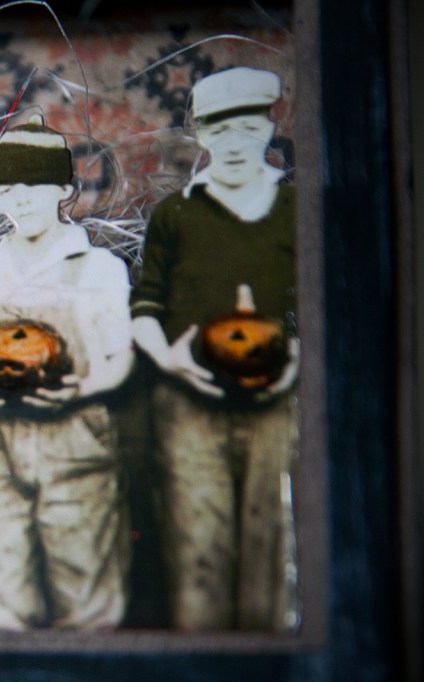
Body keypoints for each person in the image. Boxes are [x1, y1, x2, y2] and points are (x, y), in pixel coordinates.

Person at [130, 67, 300, 630]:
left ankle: (266, 650)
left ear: (269, 127)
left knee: (270, 537)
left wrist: (294, 359)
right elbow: (145, 306)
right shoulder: (176, 214)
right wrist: (168, 358)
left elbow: (318, 303)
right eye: (219, 131)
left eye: (248, 128)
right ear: (201, 134)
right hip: (188, 404)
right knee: (198, 542)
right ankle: (203, 650)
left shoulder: (295, 210)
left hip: (277, 402)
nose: (234, 143)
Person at [0, 115, 134, 629]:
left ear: (63, 190)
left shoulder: (100, 269)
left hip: (77, 449)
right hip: (0, 455)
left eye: (36, 184)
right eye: (9, 188)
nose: (24, 199)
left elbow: (119, 358)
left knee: (87, 589)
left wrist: (81, 388)